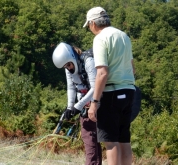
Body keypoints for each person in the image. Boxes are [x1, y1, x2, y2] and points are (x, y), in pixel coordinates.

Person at [83, 6, 136, 165]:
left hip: (111, 93)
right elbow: (132, 68)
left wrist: (95, 102)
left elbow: (102, 73)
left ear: (93, 23)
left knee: (110, 142)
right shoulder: (124, 36)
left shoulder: (100, 38)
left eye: (89, 26)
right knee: (124, 140)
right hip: (129, 91)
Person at [52, 42, 102, 165]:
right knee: (91, 140)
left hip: (98, 103)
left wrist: (77, 106)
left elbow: (95, 87)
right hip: (85, 104)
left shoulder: (88, 61)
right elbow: (71, 87)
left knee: (92, 138)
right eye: (65, 66)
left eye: (69, 64)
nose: (69, 68)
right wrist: (69, 107)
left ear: (73, 57)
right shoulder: (68, 69)